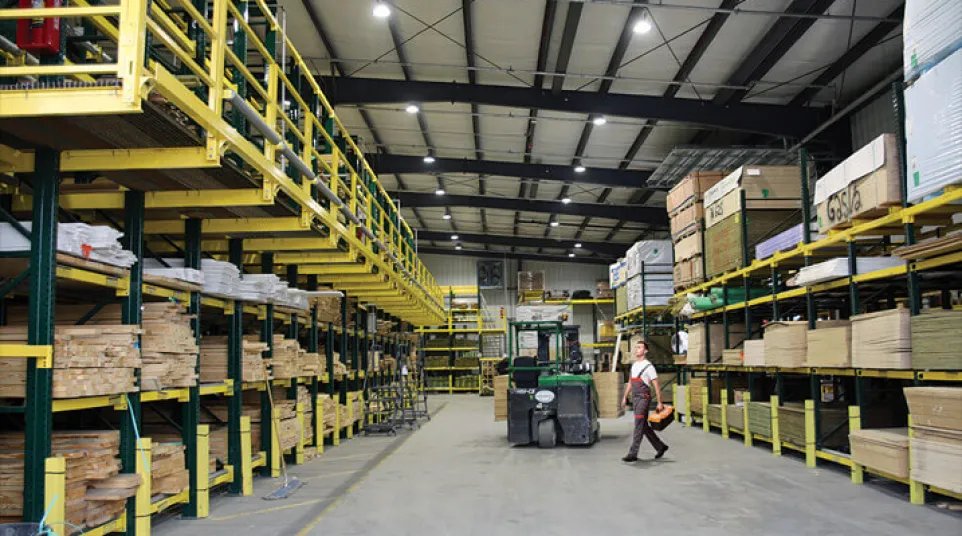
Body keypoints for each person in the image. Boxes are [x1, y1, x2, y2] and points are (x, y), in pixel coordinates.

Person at [621, 341, 668, 462]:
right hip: (635, 398)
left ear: (645, 351)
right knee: (643, 425)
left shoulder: (649, 367)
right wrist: (625, 397)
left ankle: (633, 453)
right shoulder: (635, 365)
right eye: (636, 347)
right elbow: (631, 382)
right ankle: (660, 446)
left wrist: (659, 402)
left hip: (643, 398)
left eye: (639, 347)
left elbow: (656, 385)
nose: (636, 349)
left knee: (638, 425)